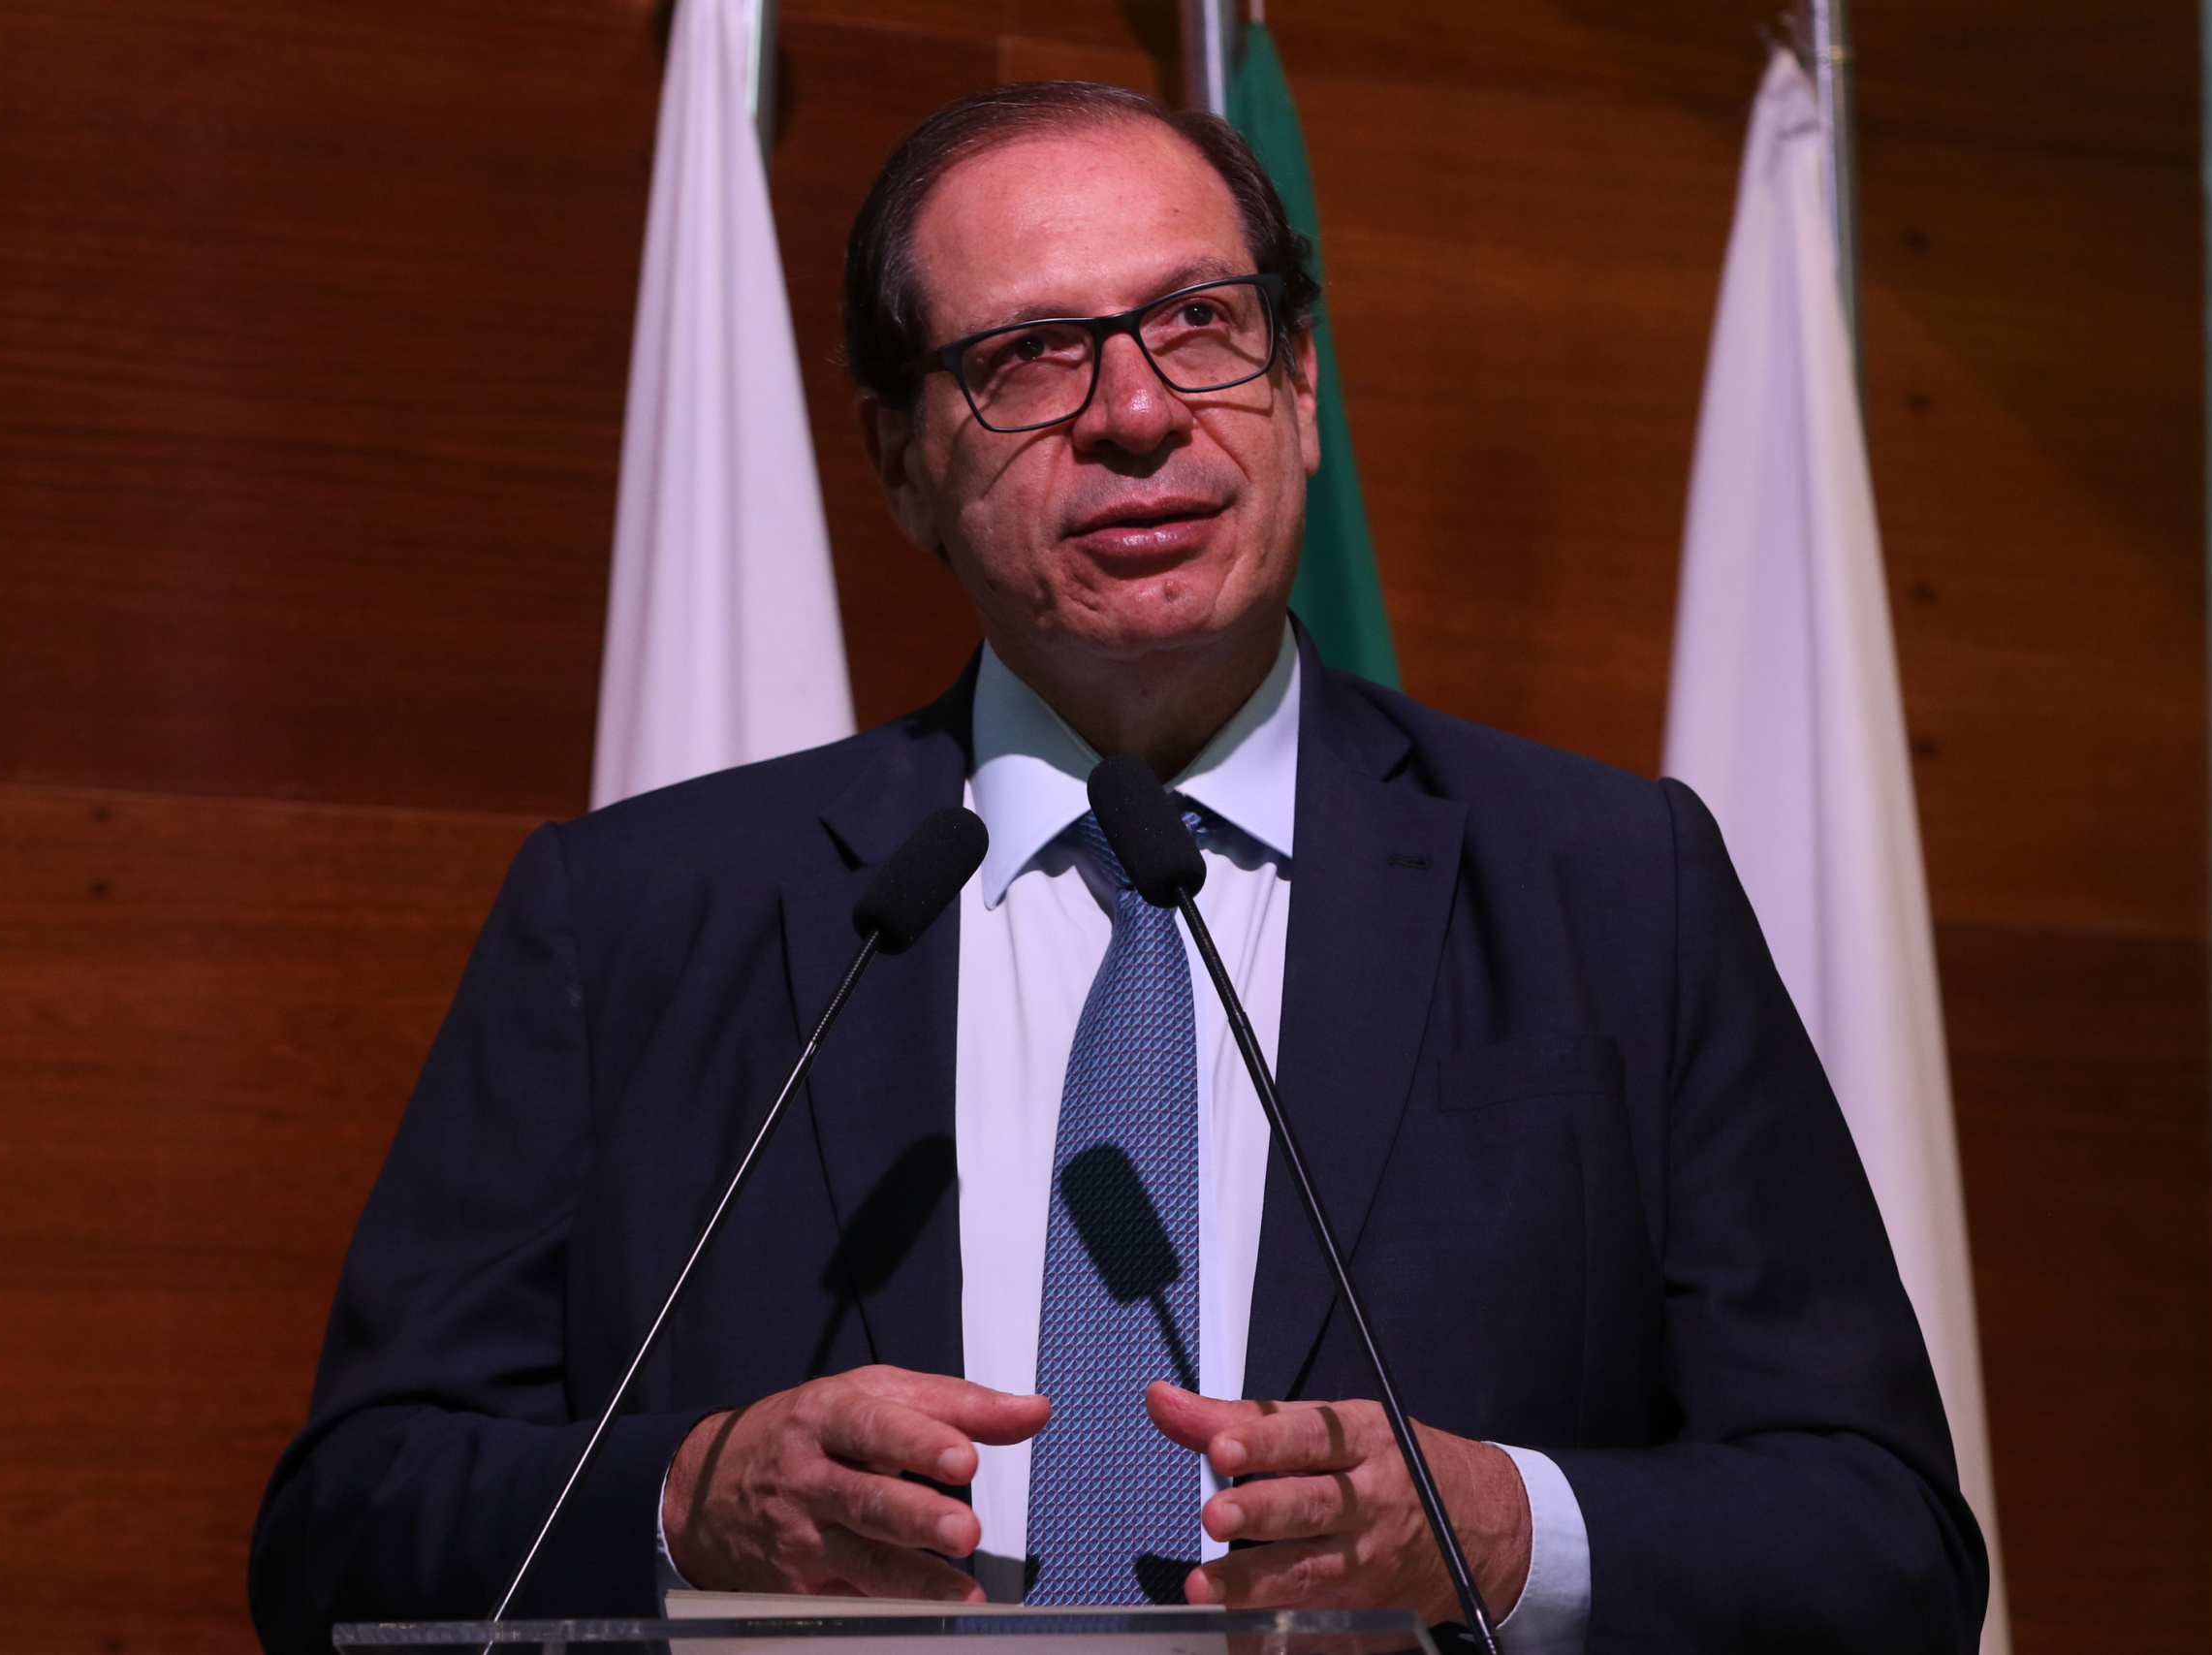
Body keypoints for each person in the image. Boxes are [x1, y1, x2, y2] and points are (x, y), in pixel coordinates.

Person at [249, 82, 1987, 1655]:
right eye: (1028, 356)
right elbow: (341, 1533)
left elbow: (1888, 1541)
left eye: (1201, 324)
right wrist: (686, 1500)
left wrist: (1508, 1532)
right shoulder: (639, 916)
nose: (1139, 415)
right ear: (901, 463)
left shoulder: (1612, 891)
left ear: (1302, 388)